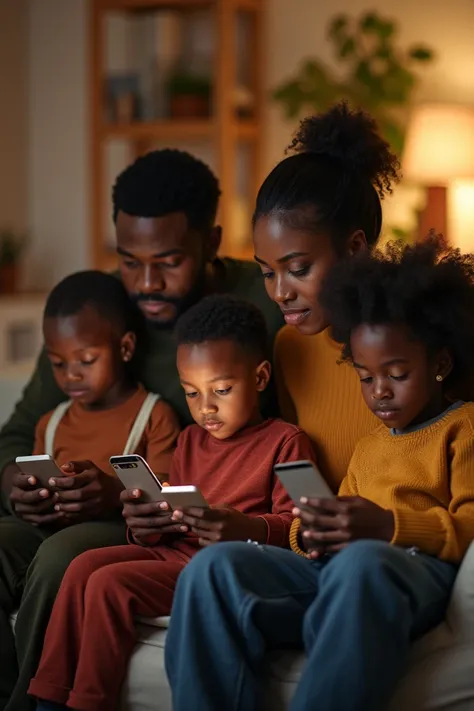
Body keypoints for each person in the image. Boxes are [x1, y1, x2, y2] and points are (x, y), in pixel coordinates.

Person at [0, 150, 283, 711]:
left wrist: (117, 493)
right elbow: (16, 434)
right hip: (70, 509)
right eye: (130, 261)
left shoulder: (264, 305)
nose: (146, 282)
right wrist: (17, 485)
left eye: (169, 261)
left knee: (63, 560)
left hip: (155, 521)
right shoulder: (104, 306)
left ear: (211, 240)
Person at [165, 236, 474, 711]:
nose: (380, 393)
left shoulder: (463, 427)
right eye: (366, 378)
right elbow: (324, 527)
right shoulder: (370, 444)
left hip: (409, 570)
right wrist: (309, 533)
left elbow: (470, 527)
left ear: (441, 364)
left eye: (396, 374)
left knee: (360, 561)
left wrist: (388, 527)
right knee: (214, 568)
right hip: (334, 572)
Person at [28, 294, 315, 711]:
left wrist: (243, 526)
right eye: (191, 393)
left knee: (110, 584)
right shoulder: (190, 440)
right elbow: (166, 514)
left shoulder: (285, 441)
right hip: (172, 551)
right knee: (81, 567)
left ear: (260, 377)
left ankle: (88, 703)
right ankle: (48, 699)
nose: (206, 408)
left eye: (221, 390)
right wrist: (144, 519)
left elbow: (299, 528)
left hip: (215, 570)